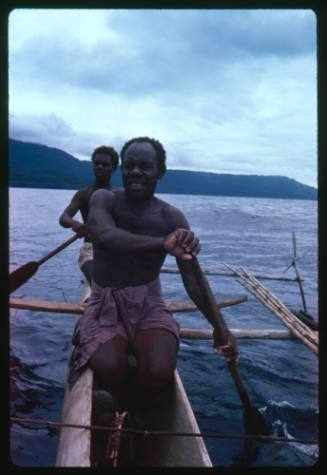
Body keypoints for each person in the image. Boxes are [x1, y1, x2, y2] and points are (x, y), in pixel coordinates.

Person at [68, 137, 238, 437]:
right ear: (122, 169)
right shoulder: (102, 200)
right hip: (105, 301)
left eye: (145, 166)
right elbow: (106, 236)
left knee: (159, 370)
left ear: (160, 172)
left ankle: (133, 414)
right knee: (110, 366)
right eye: (130, 165)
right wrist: (162, 243)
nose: (136, 172)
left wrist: (219, 326)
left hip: (149, 303)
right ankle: (120, 408)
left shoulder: (170, 217)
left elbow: (193, 279)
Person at [59, 145, 119, 285]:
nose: (100, 167)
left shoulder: (119, 195)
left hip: (116, 250)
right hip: (90, 250)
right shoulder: (83, 194)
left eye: (105, 164)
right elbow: (63, 218)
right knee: (100, 284)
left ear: (114, 168)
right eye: (97, 163)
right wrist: (75, 224)